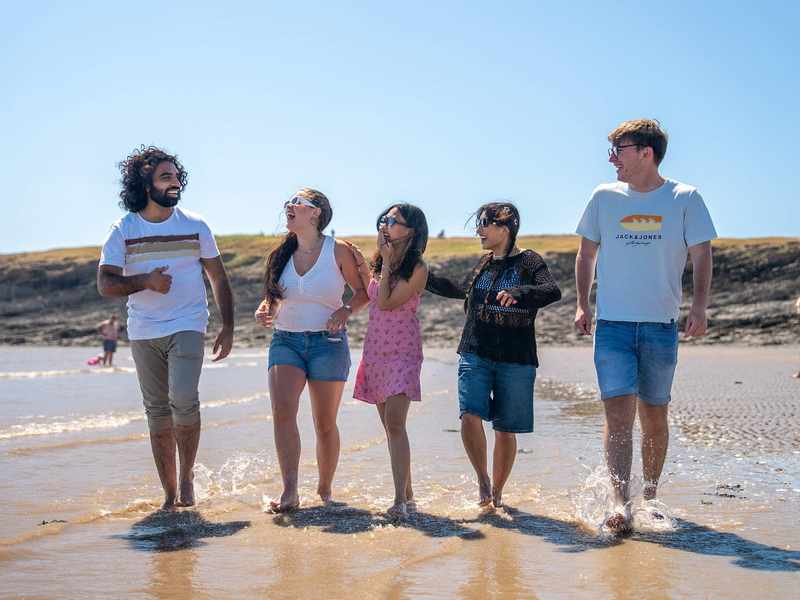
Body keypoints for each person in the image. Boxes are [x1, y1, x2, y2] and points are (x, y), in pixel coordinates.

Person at [574, 119, 717, 534]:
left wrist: (700, 307)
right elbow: (586, 254)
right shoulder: (604, 197)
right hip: (613, 325)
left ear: (646, 152)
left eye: (619, 149)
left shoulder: (685, 198)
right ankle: (620, 504)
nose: (612, 159)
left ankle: (650, 499)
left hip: (660, 325)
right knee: (617, 416)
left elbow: (702, 254)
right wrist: (583, 304)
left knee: (655, 415)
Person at [97, 146, 234, 509]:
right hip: (143, 330)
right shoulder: (123, 229)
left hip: (188, 323)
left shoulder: (195, 225)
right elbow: (106, 284)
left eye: (176, 176)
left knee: (184, 400)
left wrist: (228, 324)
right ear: (145, 185)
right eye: (165, 177)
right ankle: (170, 492)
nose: (174, 183)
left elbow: (217, 277)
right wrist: (145, 281)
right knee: (157, 409)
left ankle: (187, 477)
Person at [426, 202, 561, 508]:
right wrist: (425, 277)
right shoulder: (484, 264)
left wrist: (520, 292)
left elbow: (552, 290)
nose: (479, 230)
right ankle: (482, 480)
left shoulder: (529, 261)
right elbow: (460, 288)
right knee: (470, 415)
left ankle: (497, 492)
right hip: (476, 350)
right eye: (479, 224)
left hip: (516, 357)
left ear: (506, 227)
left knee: (504, 429)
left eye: (485, 224)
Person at [254, 189, 369, 512]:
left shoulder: (339, 251)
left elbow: (364, 292)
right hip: (285, 340)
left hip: (327, 344)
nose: (289, 207)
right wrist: (265, 310)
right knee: (283, 412)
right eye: (288, 203)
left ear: (316, 213)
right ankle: (290, 490)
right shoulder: (280, 254)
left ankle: (325, 488)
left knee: (324, 423)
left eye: (297, 204)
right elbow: (273, 298)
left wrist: (345, 310)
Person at [353, 204, 429, 519]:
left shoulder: (418, 267)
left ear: (411, 230)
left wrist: (385, 264)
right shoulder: (377, 264)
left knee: (396, 424)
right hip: (376, 350)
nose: (386, 224)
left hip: (403, 351)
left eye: (393, 221)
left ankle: (398, 501)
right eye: (384, 219)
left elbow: (385, 301)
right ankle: (409, 496)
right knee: (389, 428)